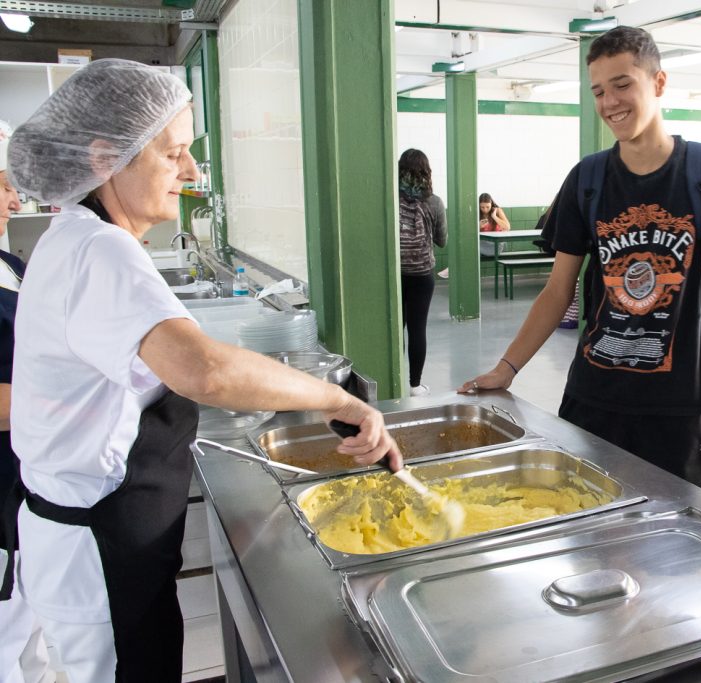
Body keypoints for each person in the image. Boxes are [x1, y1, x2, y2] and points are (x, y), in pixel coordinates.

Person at [2, 59, 401, 682]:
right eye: (174, 154)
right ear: (108, 157)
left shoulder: (79, 237)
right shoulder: (99, 250)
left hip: (95, 542)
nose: (189, 173)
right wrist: (340, 402)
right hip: (100, 552)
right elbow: (203, 370)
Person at [458, 26, 701, 489]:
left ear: (658, 83)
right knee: (582, 520)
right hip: (594, 395)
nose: (609, 102)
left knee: (667, 537)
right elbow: (557, 289)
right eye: (598, 91)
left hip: (678, 403)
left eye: (623, 84)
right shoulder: (588, 178)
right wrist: (507, 367)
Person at [0, 121, 56, 683]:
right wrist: (69, 403)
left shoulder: (8, 264)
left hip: (26, 478)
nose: (16, 198)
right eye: (4, 187)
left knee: (27, 631)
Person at [397, 149, 447, 397]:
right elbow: (442, 240)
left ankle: (393, 378)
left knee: (396, 327)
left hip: (394, 275)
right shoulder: (434, 201)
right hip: (422, 275)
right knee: (417, 329)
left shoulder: (390, 199)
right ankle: (415, 385)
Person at [478, 192, 510, 258]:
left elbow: (507, 227)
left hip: (496, 244)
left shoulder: (497, 211)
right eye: (482, 207)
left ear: (491, 204)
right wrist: (478, 226)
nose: (485, 209)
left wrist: (494, 217)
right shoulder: (477, 212)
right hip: (482, 244)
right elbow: (470, 232)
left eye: (487, 207)